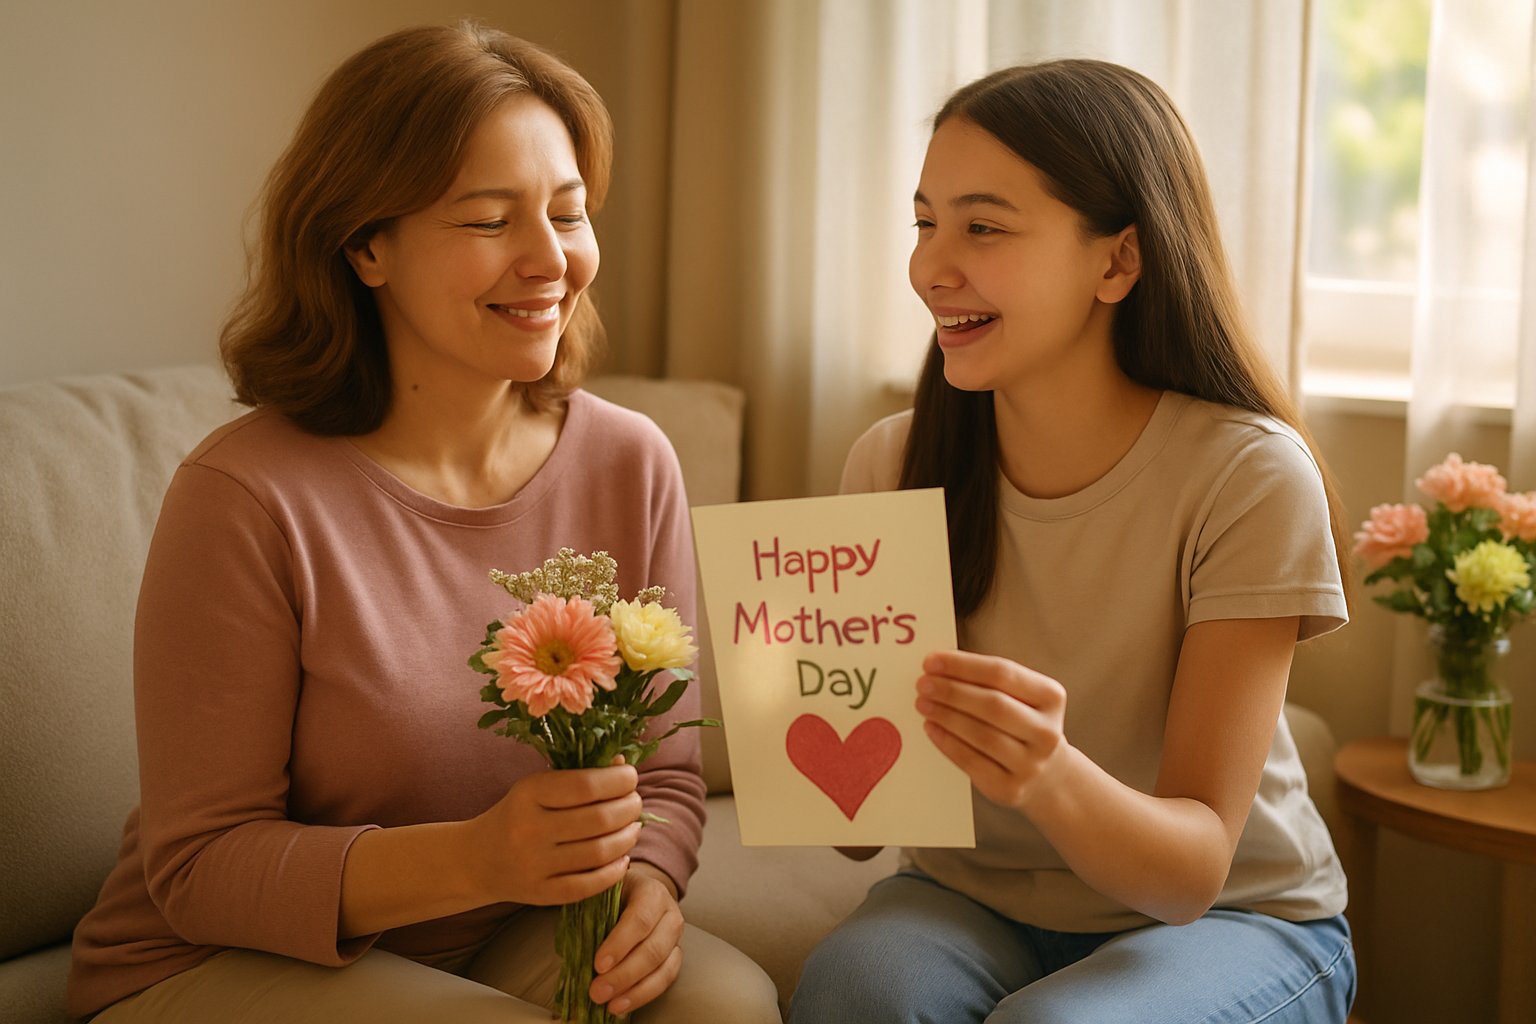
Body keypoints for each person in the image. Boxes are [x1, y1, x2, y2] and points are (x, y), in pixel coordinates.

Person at [66, 23, 779, 1024]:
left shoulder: (631, 461)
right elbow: (200, 866)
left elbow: (660, 766)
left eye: (568, 214)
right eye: (489, 221)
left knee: (726, 1005)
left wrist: (652, 882)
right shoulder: (246, 497)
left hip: (496, 930)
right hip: (205, 955)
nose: (549, 260)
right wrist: (477, 854)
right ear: (366, 245)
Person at [790, 60, 1356, 1024]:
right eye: (925, 222)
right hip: (974, 903)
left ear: (1117, 261)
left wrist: (1047, 774)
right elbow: (856, 836)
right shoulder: (889, 463)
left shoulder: (1250, 476)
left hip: (1231, 919)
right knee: (852, 992)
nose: (932, 265)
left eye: (984, 226)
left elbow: (1191, 872)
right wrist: (800, 717)